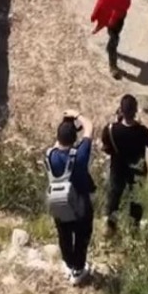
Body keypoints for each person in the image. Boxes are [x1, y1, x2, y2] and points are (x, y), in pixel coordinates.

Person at [44, 114, 95, 285]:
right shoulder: (79, 156)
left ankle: (67, 263)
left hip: (59, 202)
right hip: (80, 205)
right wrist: (78, 114)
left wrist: (65, 125)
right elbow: (89, 127)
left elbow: (58, 144)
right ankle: (78, 270)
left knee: (64, 235)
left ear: (57, 137)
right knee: (81, 237)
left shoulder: (49, 155)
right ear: (75, 139)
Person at [102, 94, 148, 233]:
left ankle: (111, 226)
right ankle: (134, 228)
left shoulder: (110, 130)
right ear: (136, 110)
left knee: (114, 197)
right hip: (136, 170)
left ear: (120, 110)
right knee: (136, 199)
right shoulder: (142, 131)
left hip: (118, 169)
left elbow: (107, 148)